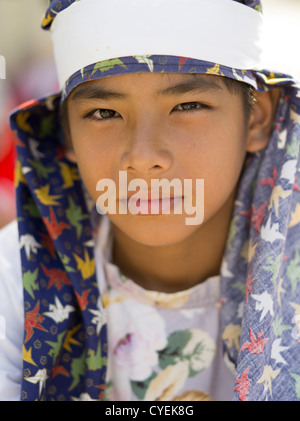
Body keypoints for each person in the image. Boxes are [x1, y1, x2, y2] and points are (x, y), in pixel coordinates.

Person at [0, 0, 300, 401]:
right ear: (66, 134)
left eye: (188, 105)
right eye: (104, 112)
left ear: (256, 118)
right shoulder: (14, 276)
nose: (142, 157)